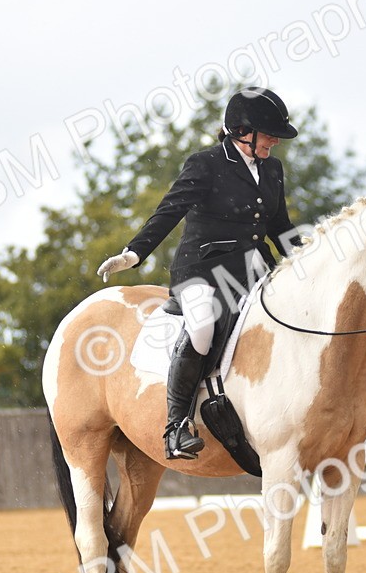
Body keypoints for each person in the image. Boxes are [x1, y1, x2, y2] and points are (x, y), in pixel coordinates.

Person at [96, 87, 302, 460]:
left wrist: (304, 263)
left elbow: (279, 225)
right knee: (204, 326)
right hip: (202, 270)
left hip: (254, 269)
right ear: (242, 131)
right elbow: (169, 211)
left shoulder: (272, 168)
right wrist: (134, 253)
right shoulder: (206, 163)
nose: (275, 141)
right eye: (269, 134)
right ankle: (176, 426)